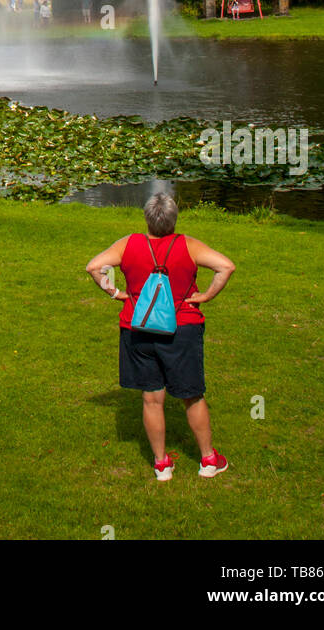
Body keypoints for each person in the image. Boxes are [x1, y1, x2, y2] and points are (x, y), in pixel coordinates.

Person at [85, 192, 235, 481]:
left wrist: (116, 293)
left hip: (138, 329)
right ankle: (208, 460)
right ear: (173, 219)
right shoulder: (188, 245)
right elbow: (226, 267)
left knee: (152, 398)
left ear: (147, 219)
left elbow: (94, 267)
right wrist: (205, 296)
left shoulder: (129, 244)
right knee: (192, 396)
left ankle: (161, 464)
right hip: (182, 328)